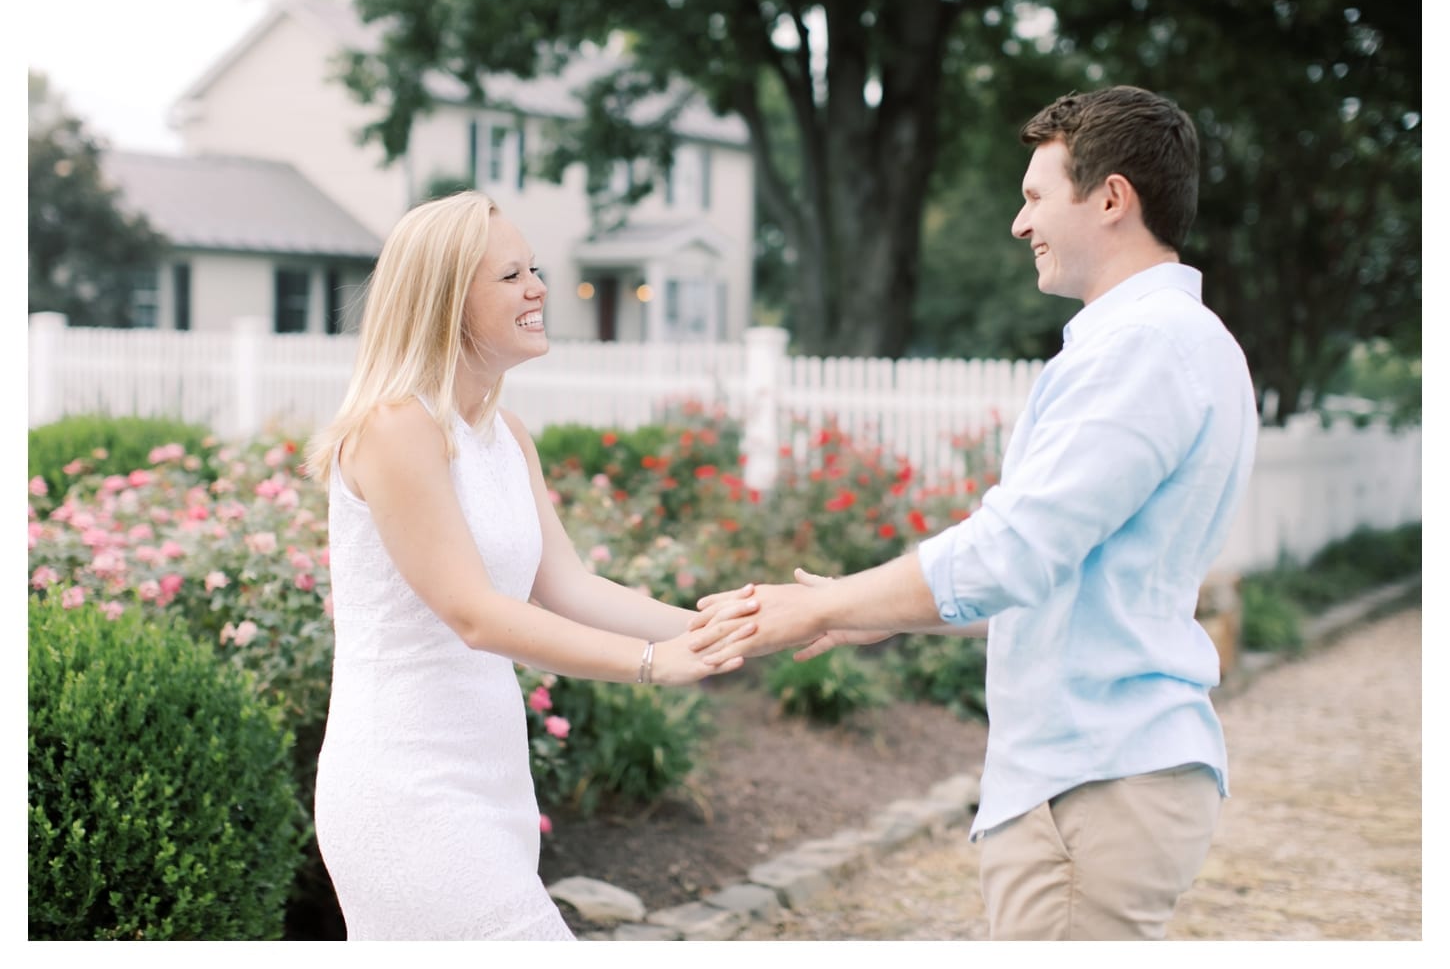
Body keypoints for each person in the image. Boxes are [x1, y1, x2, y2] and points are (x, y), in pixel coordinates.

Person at [696, 85, 1258, 940]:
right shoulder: (1177, 342)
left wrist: (822, 604)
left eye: (1035, 196)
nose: (1018, 223)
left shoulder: (1141, 349)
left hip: (1091, 780)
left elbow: (1014, 553)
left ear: (1112, 199)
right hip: (1103, 770)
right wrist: (876, 618)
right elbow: (1064, 580)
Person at [304, 191, 758, 940]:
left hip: (493, 783)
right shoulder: (395, 427)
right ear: (447, 302)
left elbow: (570, 587)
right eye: (511, 276)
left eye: (534, 270)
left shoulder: (504, 434)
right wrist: (652, 663)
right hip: (406, 788)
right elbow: (475, 614)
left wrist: (724, 627)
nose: (539, 289)